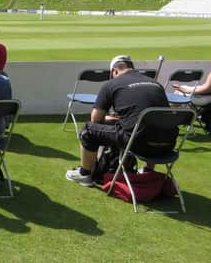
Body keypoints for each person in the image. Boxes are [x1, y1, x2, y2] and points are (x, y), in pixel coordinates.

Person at [65, 55, 169, 187]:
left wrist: (109, 119)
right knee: (152, 128)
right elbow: (160, 115)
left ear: (114, 71)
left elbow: (95, 119)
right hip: (167, 145)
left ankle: (85, 174)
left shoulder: (111, 84)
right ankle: (148, 170)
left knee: (88, 129)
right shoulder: (156, 84)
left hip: (137, 144)